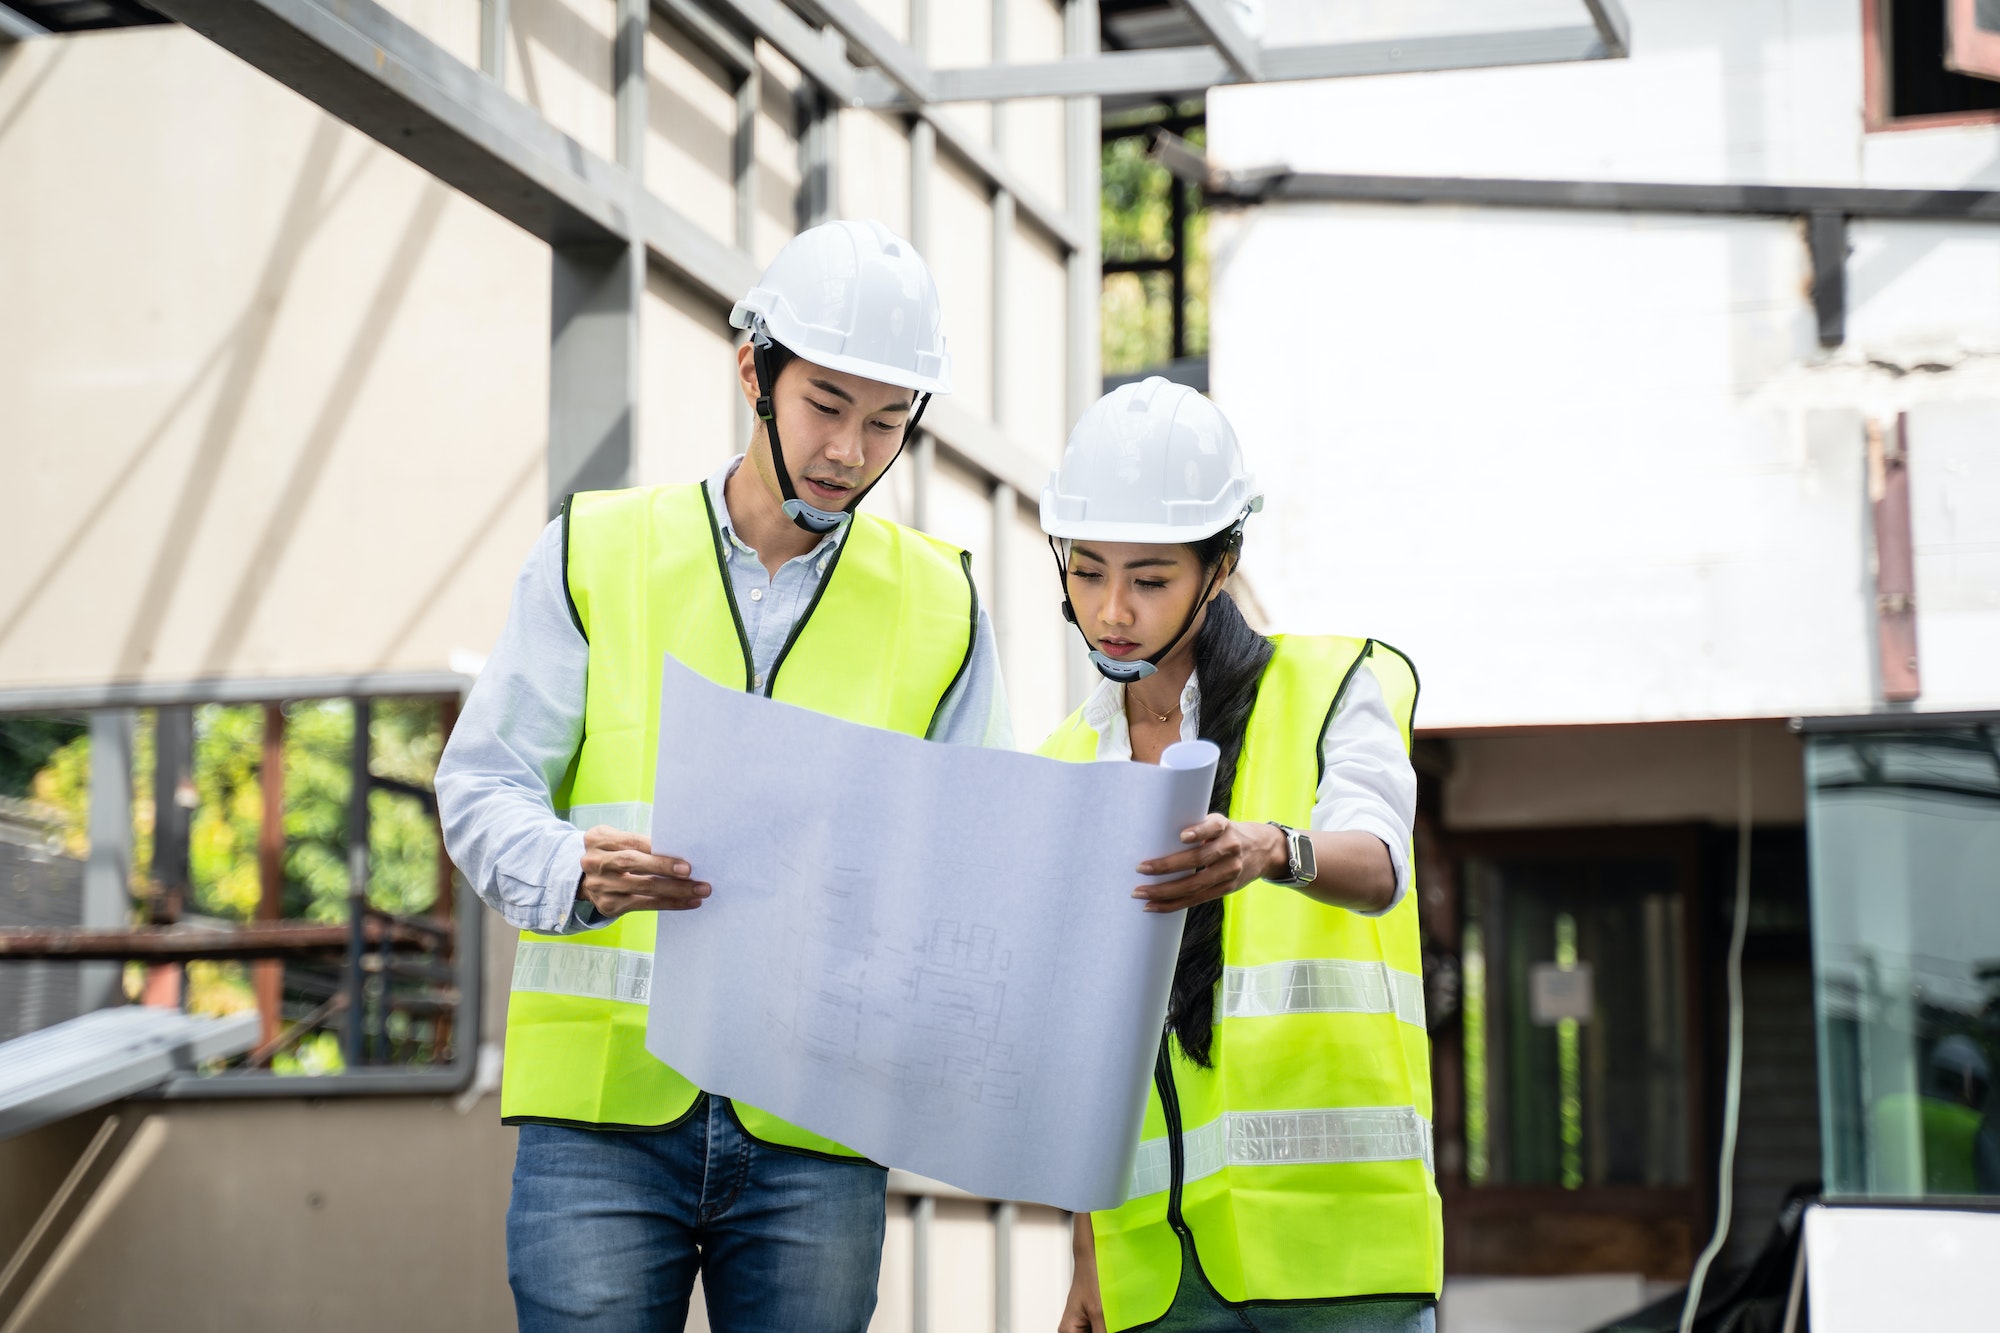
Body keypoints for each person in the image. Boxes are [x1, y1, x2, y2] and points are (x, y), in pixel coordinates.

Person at [435, 219, 1012, 1333]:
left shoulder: (943, 603)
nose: (851, 449)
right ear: (754, 371)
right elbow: (481, 785)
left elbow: (972, 858)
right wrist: (572, 867)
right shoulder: (594, 551)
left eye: (887, 422)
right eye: (826, 406)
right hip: (601, 1113)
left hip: (815, 1116)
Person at [1040, 378, 1441, 1332]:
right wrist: (1085, 1255)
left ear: (1220, 568)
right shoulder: (1062, 765)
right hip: (1156, 1276)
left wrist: (1274, 850)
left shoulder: (1333, 685)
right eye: (1087, 570)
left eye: (1149, 577)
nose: (1112, 608)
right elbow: (1073, 1041)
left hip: (1344, 1267)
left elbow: (1380, 861)